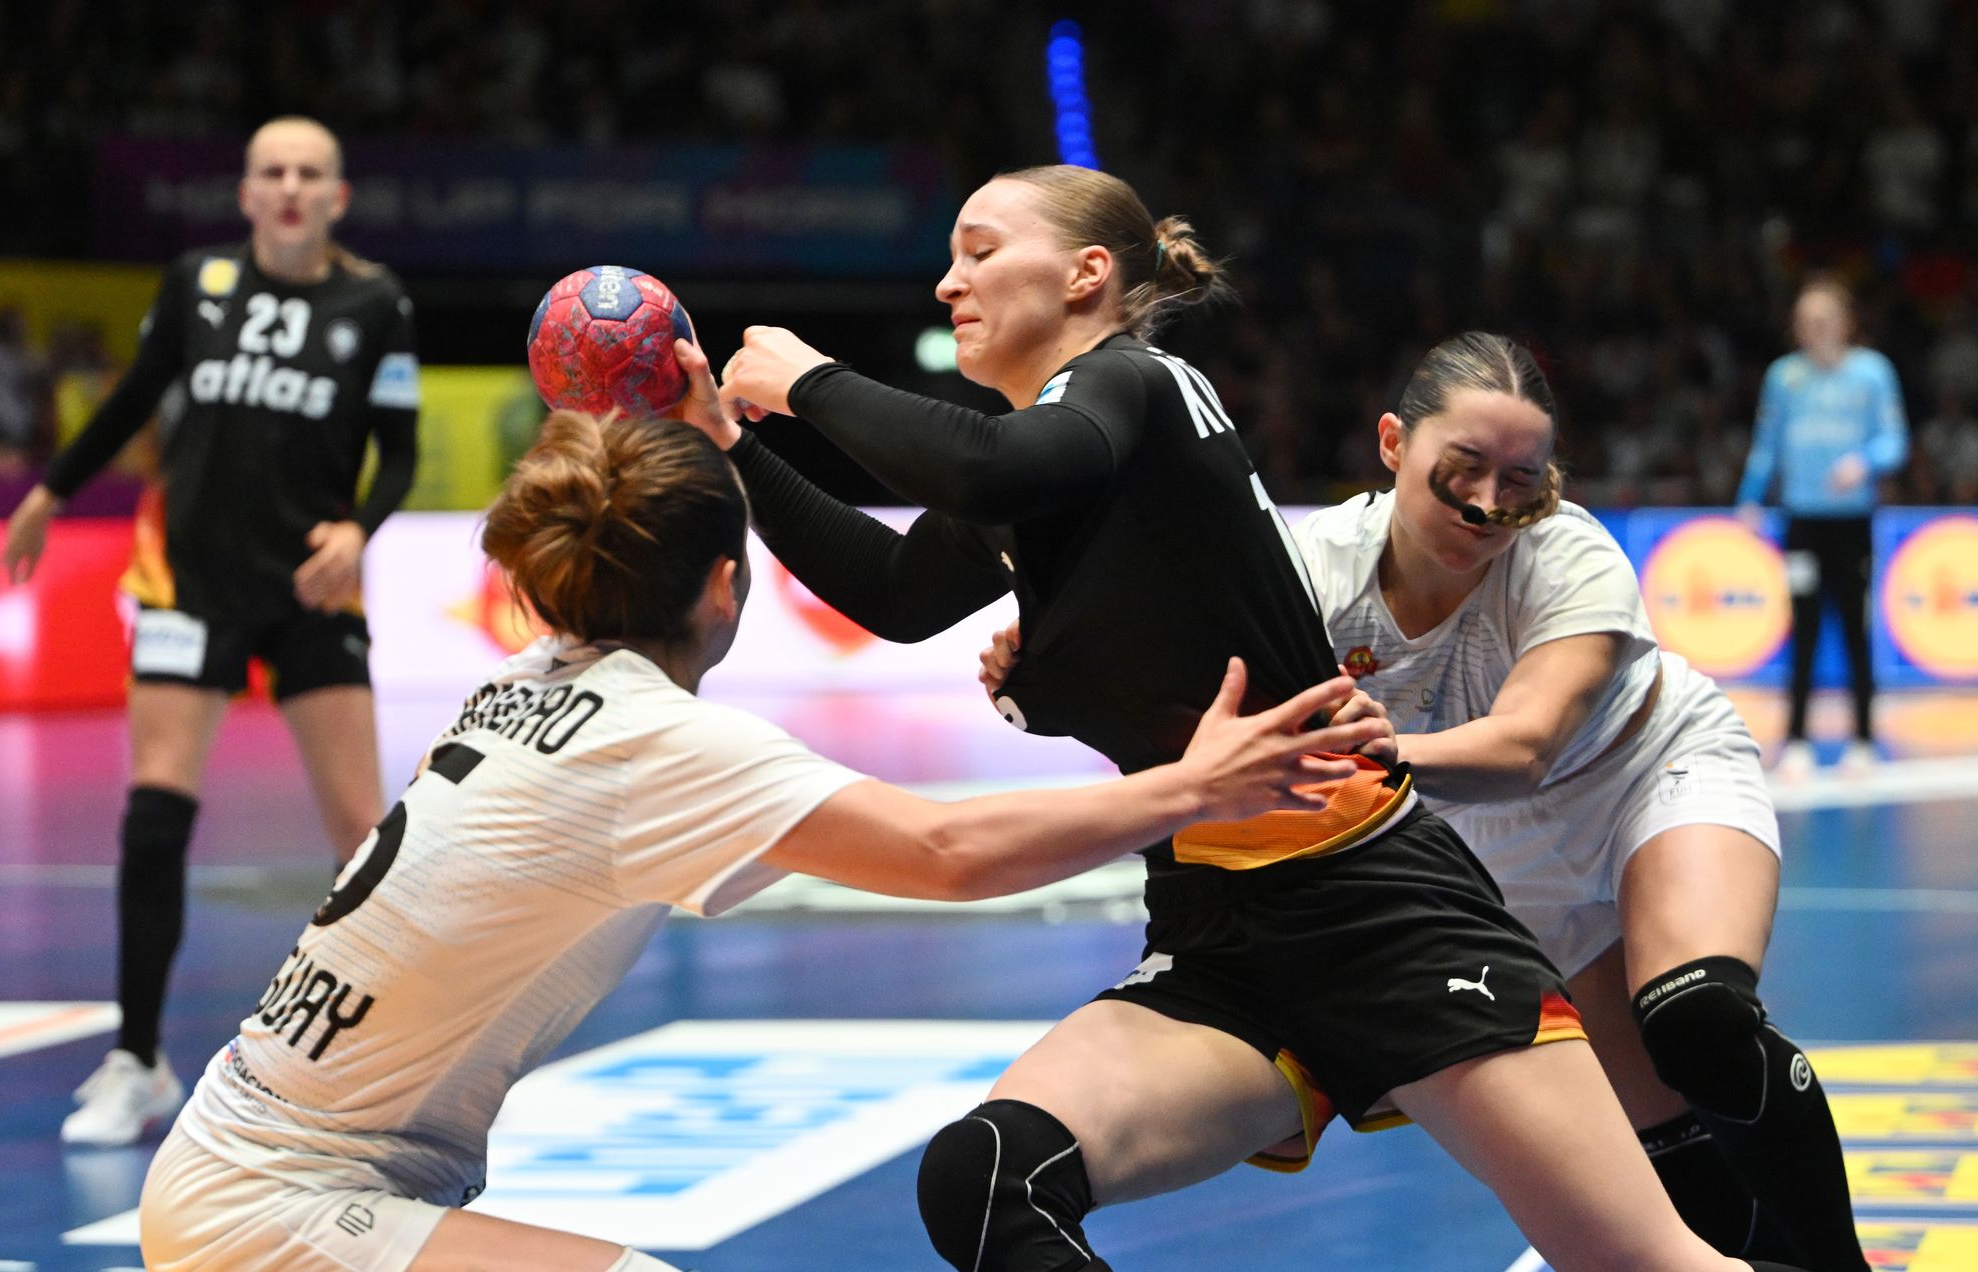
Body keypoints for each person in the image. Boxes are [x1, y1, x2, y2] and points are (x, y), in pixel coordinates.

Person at [704, 164, 1811, 1272]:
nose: (949, 283)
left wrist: (809, 383)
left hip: (1370, 903)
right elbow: (899, 595)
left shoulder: (1137, 383)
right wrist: (731, 444)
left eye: (980, 250)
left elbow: (993, 468)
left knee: (1655, 1264)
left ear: (1087, 274)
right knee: (988, 1179)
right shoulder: (1052, 459)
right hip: (1216, 922)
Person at [137, 408, 1386, 1272]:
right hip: (282, 1207)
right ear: (724, 589)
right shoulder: (645, 743)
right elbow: (946, 851)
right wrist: (1190, 787)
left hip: (248, 1157)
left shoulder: (522, 679)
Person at [0, 116, 421, 1147]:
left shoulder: (377, 303)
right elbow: (134, 397)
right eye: (272, 171)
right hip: (187, 583)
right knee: (154, 814)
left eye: (309, 173)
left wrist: (358, 529)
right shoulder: (196, 284)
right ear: (246, 193)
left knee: (361, 837)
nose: (290, 186)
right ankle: (136, 1059)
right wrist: (51, 491)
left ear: (337, 196)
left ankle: (389, 1064)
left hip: (311, 590)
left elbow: (400, 450)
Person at [1736, 275, 1909, 780]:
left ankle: (1863, 740)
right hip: (1802, 522)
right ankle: (1797, 741)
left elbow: (1895, 440)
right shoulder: (1784, 377)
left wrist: (1864, 462)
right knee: (1804, 627)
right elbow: (1767, 444)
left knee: (1855, 627)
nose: (1815, 328)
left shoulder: (1873, 373)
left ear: (1845, 322)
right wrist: (1749, 497)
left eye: (1824, 319)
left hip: (1852, 521)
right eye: (1806, 320)